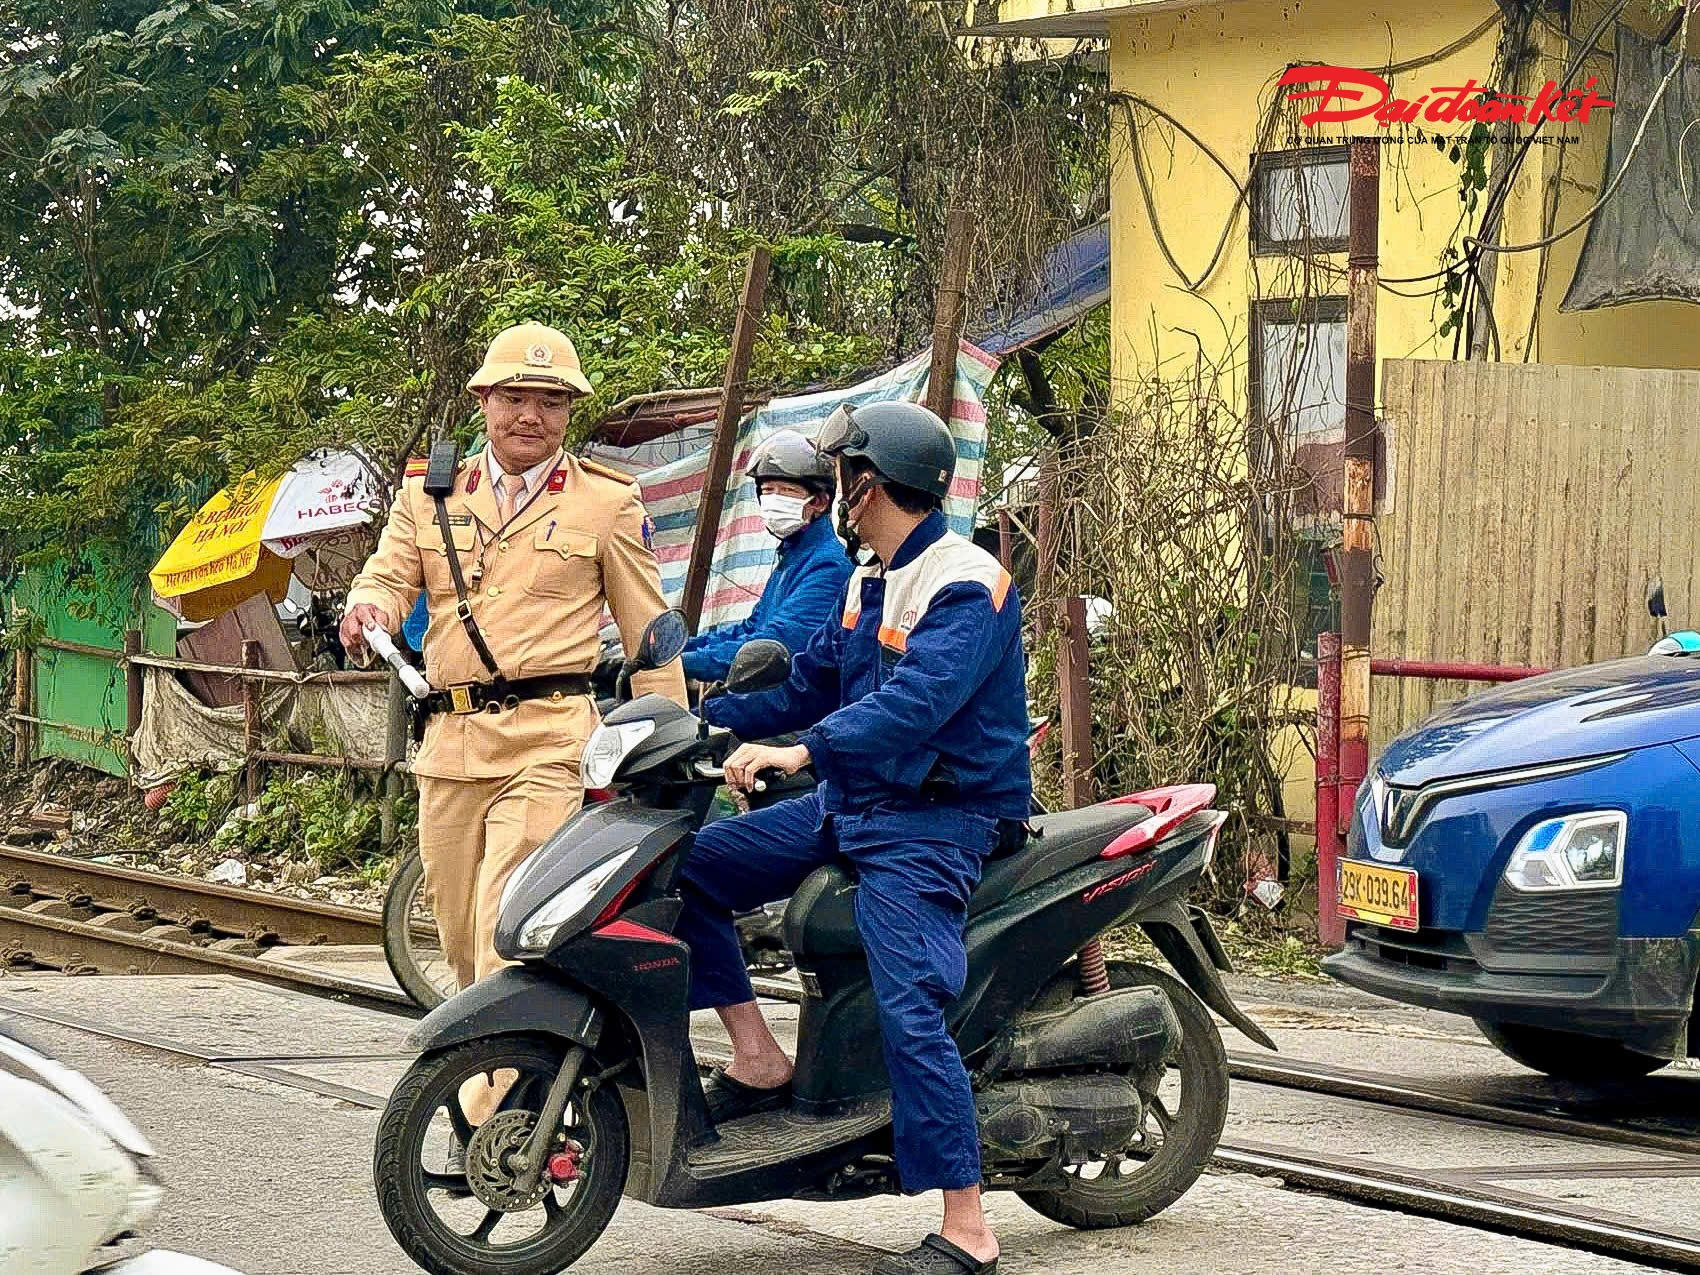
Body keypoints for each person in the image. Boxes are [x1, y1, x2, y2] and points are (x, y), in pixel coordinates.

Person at [674, 401, 1030, 1275]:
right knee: (688, 868)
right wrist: (700, 717)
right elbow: (814, 681)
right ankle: (760, 1059)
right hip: (855, 804)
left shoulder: (965, 581)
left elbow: (917, 704)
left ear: (866, 483)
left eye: (838, 475)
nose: (831, 490)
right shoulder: (870, 576)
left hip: (935, 822)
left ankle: (969, 1224)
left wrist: (803, 748)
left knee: (909, 1000)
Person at [340, 321, 686, 1117]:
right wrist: (369, 605)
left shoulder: (606, 503)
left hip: (549, 740)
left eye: (552, 401)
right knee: (460, 942)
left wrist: (668, 743)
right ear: (484, 402)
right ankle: (506, 1089)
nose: (531, 415)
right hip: (451, 744)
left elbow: (650, 636)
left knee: (505, 927)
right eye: (515, 398)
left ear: (570, 413)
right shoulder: (431, 492)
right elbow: (388, 577)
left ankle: (494, 1129)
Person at [682, 429, 851, 684]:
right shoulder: (794, 553)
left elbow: (776, 642)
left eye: (786, 491)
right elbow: (752, 627)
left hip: (791, 701)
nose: (773, 499)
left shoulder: (829, 563)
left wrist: (684, 665)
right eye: (767, 490)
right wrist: (681, 651)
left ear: (819, 501)